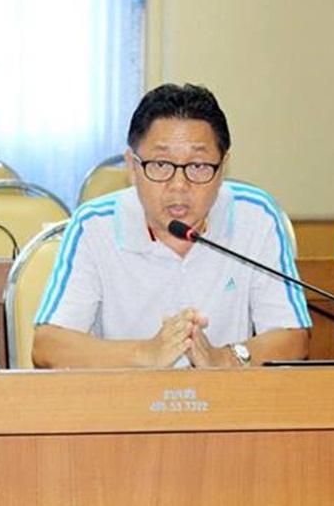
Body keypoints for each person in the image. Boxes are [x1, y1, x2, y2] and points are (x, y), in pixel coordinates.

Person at [32, 83, 310, 368]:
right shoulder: (94, 225)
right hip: (128, 395)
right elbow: (48, 344)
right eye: (161, 164)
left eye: (198, 166)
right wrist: (146, 354)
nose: (179, 185)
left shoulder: (256, 216)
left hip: (225, 395)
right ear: (132, 167)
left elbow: (292, 337)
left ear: (223, 166)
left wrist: (223, 358)